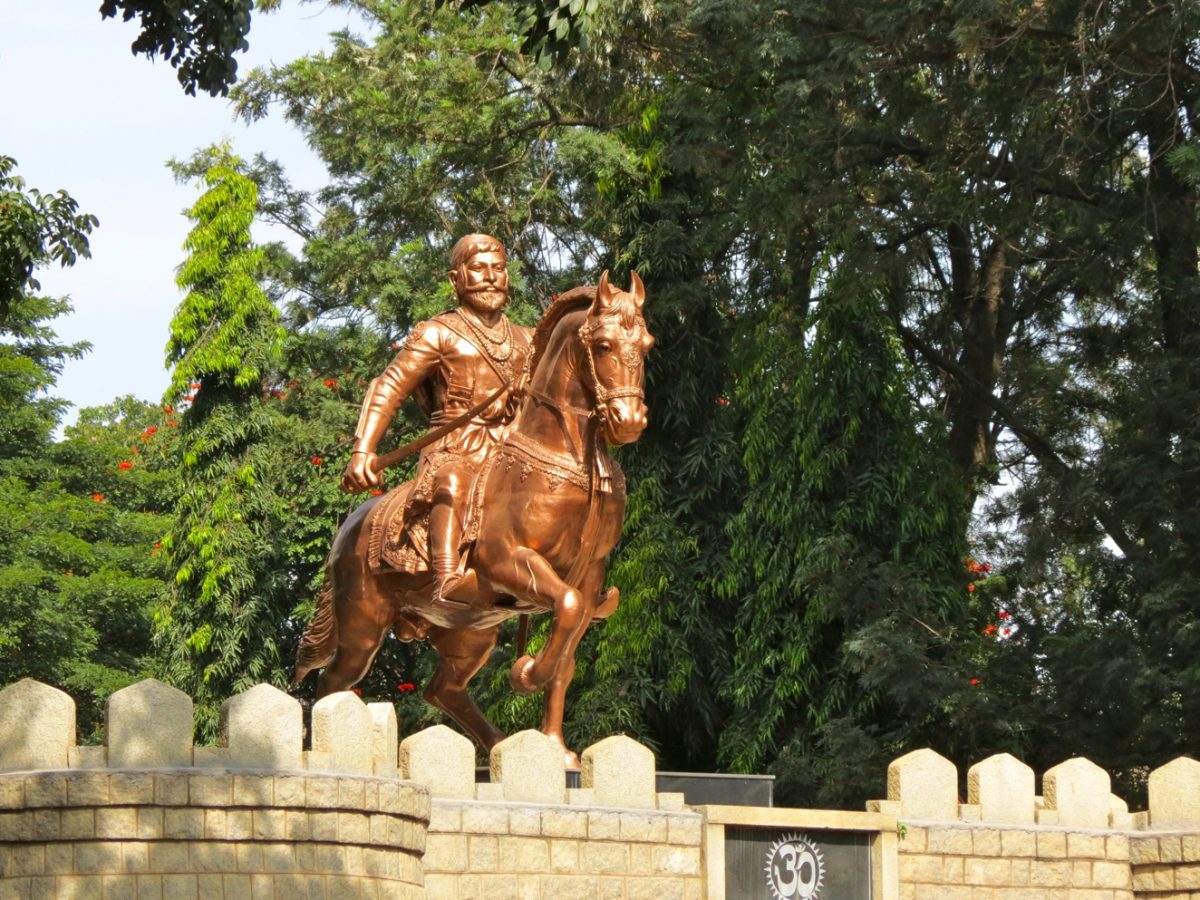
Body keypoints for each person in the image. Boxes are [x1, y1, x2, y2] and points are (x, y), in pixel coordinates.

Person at [341, 234, 533, 601]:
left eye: (498, 269)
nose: (490, 277)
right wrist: (363, 450)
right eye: (478, 269)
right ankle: (447, 578)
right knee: (453, 481)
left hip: (512, 449)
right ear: (455, 279)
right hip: (456, 446)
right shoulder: (438, 333)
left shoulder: (528, 338)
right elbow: (390, 386)